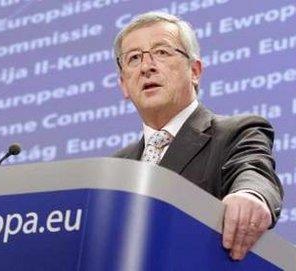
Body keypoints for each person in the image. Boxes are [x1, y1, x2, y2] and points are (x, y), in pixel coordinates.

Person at [113, 11, 283, 261]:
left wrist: (250, 195)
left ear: (194, 70)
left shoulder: (236, 132)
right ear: (124, 85)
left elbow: (254, 171)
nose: (146, 67)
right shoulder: (117, 166)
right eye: (134, 58)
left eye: (161, 52)